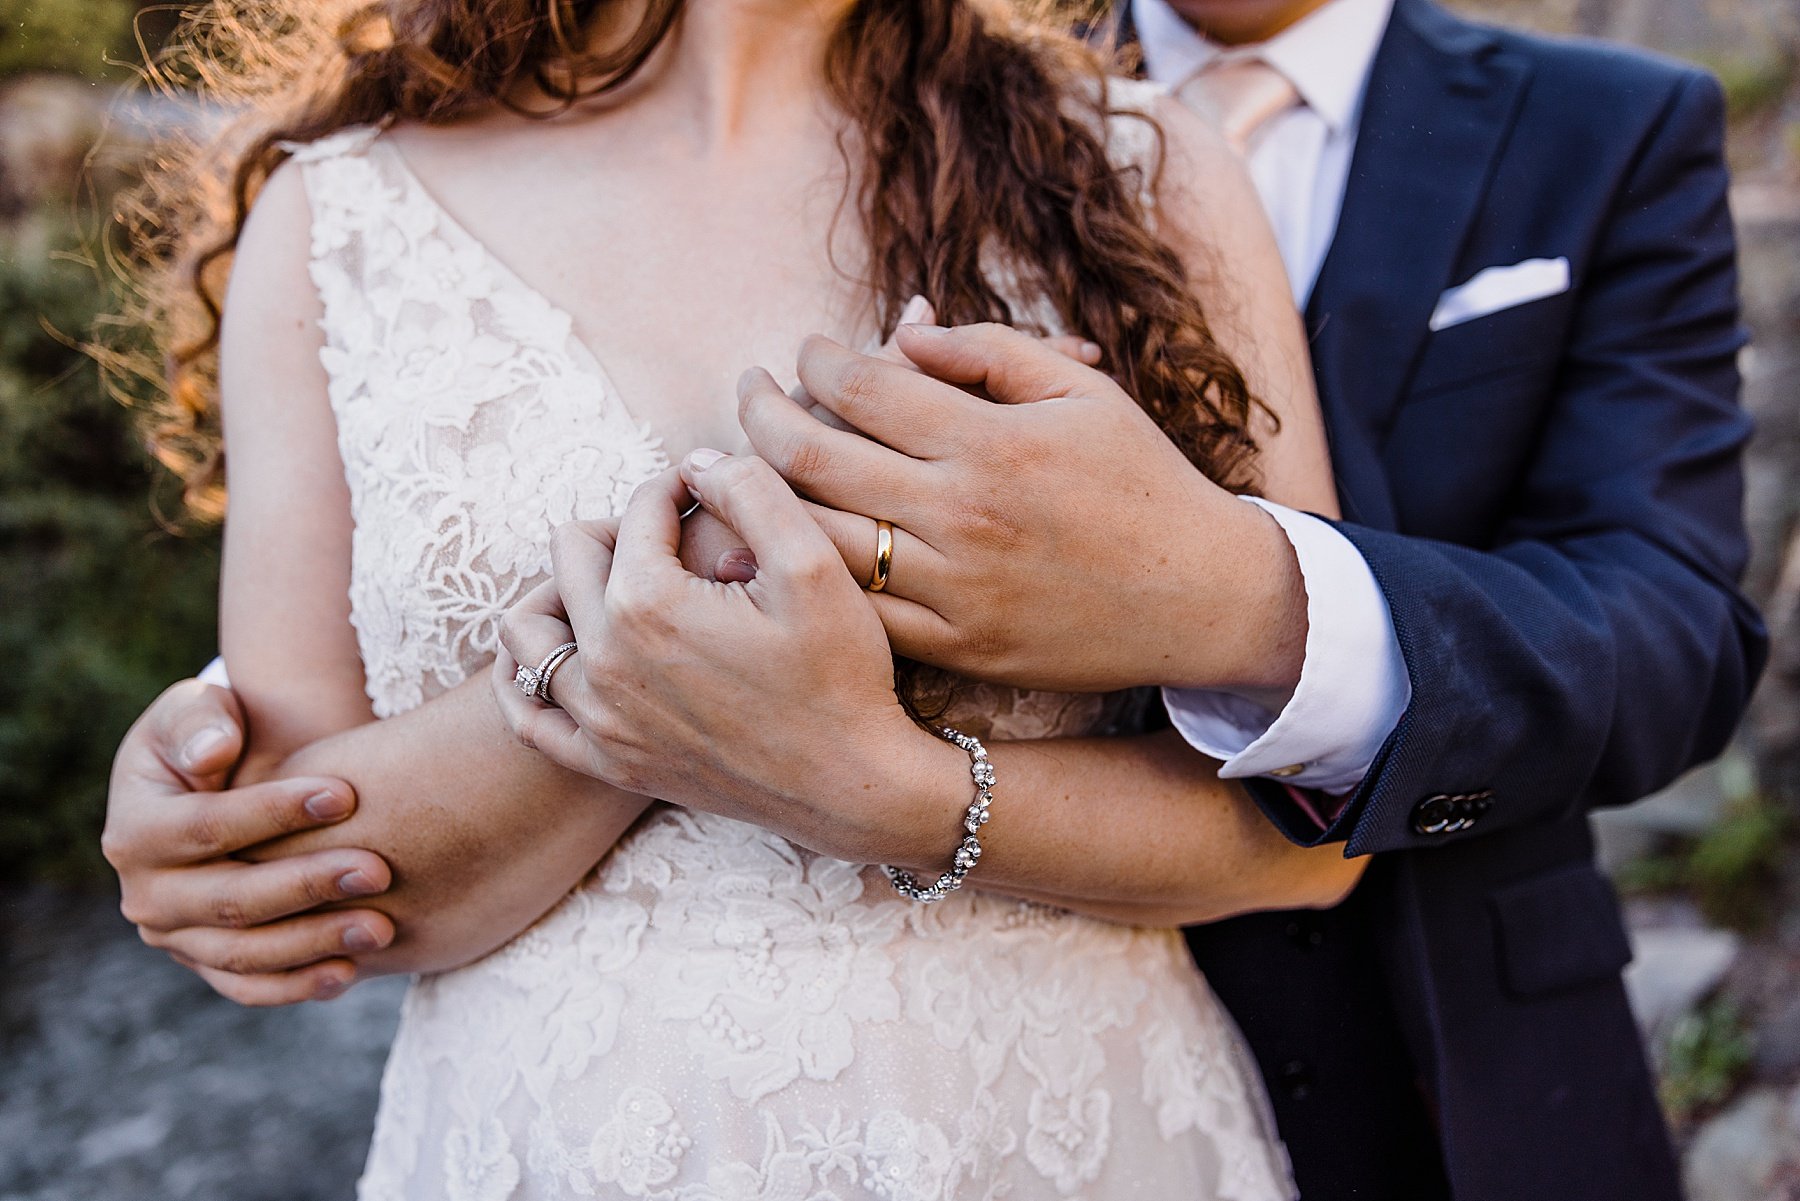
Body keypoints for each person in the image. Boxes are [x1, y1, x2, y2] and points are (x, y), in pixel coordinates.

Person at [102, 0, 1764, 1198]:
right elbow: (320, 872)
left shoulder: (1130, 168)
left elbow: (1312, 820)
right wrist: (666, 672)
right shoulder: (343, 217)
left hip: (1076, 1125)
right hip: (560, 1135)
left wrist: (869, 775)